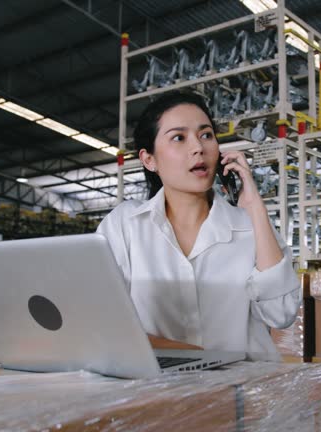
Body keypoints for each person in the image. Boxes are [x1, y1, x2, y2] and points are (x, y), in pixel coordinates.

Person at [97, 92, 300, 361]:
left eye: (206, 135)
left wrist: (255, 208)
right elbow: (99, 319)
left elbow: (282, 313)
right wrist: (198, 356)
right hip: (157, 394)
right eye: (179, 138)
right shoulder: (125, 225)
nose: (198, 147)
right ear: (149, 160)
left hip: (242, 393)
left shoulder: (249, 226)